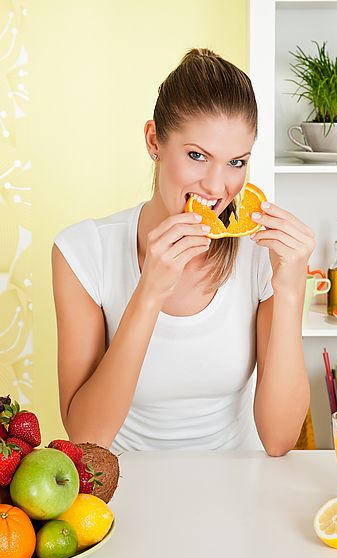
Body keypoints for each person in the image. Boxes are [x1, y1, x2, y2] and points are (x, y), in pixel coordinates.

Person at [51, 48, 315, 455]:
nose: (216, 186)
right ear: (154, 141)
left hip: (240, 486)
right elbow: (87, 438)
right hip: (125, 487)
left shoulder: (262, 253)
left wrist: (291, 288)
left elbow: (279, 440)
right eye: (197, 156)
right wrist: (150, 291)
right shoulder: (82, 252)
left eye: (236, 162)